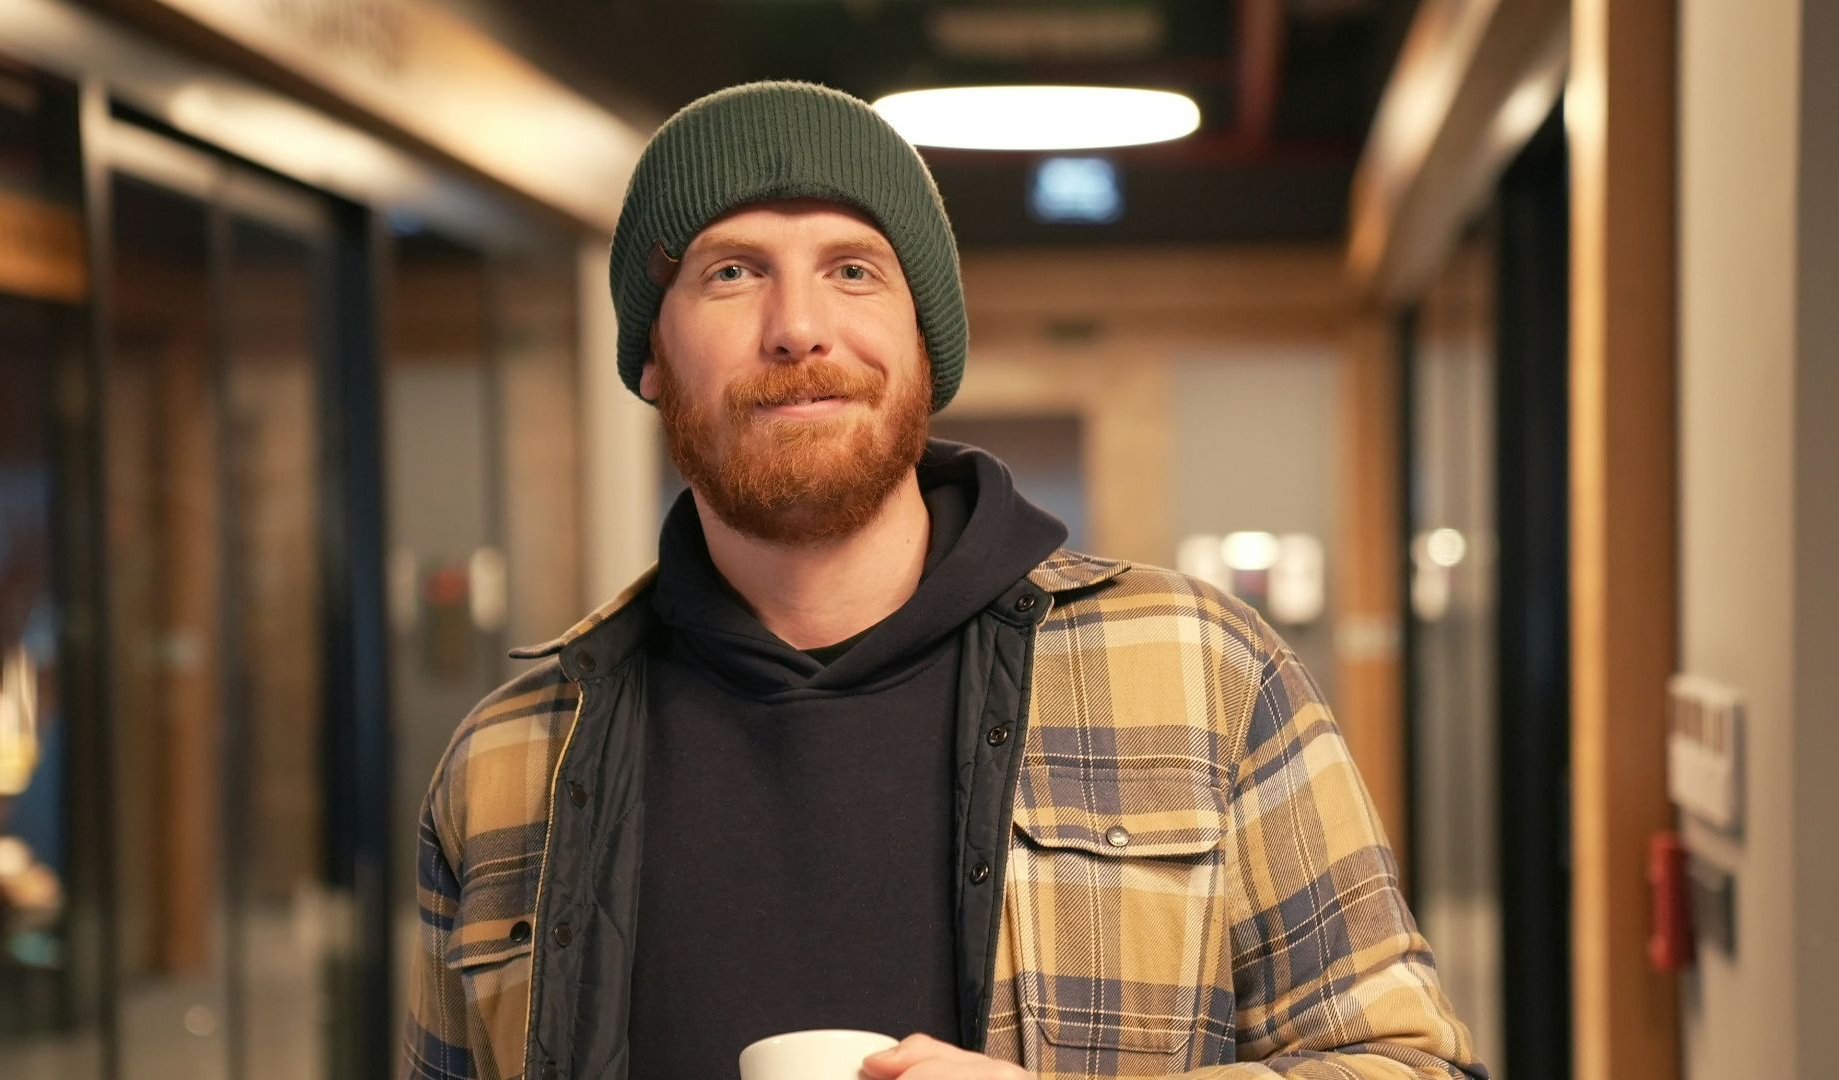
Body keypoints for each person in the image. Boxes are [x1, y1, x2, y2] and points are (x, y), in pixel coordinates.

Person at [402, 80, 1486, 1080]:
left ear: (926, 343)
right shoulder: (508, 762)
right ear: (650, 357)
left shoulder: (1205, 674)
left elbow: (1411, 1064)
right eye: (730, 272)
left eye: (854, 269)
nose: (799, 329)